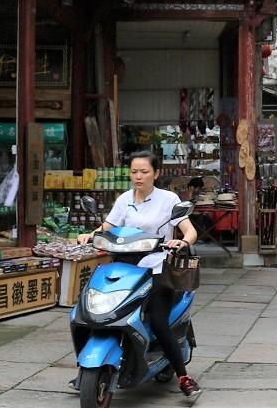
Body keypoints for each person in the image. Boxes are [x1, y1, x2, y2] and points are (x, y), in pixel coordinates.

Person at [76, 151, 201, 399]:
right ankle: (89, 368)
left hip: (157, 268)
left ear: (156, 173)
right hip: (124, 266)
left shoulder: (168, 199)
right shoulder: (124, 199)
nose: (138, 176)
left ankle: (183, 375)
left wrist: (182, 242)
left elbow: (189, 230)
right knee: (90, 311)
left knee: (156, 319)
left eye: (144, 172)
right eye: (134, 172)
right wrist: (90, 234)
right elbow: (108, 226)